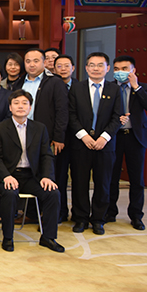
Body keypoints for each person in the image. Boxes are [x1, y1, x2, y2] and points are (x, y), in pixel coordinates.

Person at [0, 89, 64, 253]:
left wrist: (47, 176)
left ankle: (48, 237)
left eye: (24, 103)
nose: (20, 106)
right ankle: (8, 237)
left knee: (53, 193)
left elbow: (46, 155)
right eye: (16, 103)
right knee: (10, 193)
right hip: (7, 175)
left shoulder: (40, 128)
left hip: (31, 176)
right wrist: (6, 176)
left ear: (30, 107)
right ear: (10, 107)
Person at [68, 52, 122, 235]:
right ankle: (81, 218)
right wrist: (83, 136)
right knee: (79, 182)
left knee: (103, 183)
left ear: (107, 68)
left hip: (105, 145)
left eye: (100, 65)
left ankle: (99, 219)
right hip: (81, 143)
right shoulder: (77, 88)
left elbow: (117, 117)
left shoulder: (115, 90)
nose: (96, 68)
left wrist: (104, 137)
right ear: (86, 68)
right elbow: (71, 115)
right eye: (92, 65)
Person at [108, 55, 147, 230]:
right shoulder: (109, 87)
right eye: (117, 69)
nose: (120, 72)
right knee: (111, 177)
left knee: (136, 179)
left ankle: (136, 216)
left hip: (135, 136)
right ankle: (110, 212)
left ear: (133, 70)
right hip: (115, 136)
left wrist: (136, 87)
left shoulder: (144, 87)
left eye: (124, 69)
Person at [14, 48, 69, 159]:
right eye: (28, 61)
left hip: (47, 136)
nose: (31, 64)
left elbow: (62, 111)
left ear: (44, 62)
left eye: (36, 61)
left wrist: (58, 137)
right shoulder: (18, 84)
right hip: (21, 135)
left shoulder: (55, 82)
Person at [53, 54, 77, 222]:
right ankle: (60, 211)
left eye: (66, 65)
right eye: (59, 66)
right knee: (59, 176)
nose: (63, 69)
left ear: (73, 68)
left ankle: (79, 213)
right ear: (54, 69)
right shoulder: (51, 86)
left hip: (79, 138)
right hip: (58, 139)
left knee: (79, 178)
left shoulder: (80, 87)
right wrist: (58, 136)